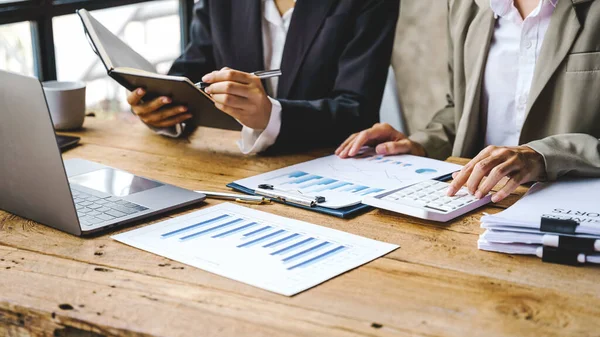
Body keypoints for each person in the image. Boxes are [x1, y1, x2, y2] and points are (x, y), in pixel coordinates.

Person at [337, 0, 600, 203]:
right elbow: (460, 109)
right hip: (476, 203)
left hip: (571, 208)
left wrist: (543, 157)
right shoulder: (465, 5)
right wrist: (419, 144)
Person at [126, 0, 399, 154]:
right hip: (229, 166)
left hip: (325, 169)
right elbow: (194, 66)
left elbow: (358, 110)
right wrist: (161, 104)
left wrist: (273, 116)